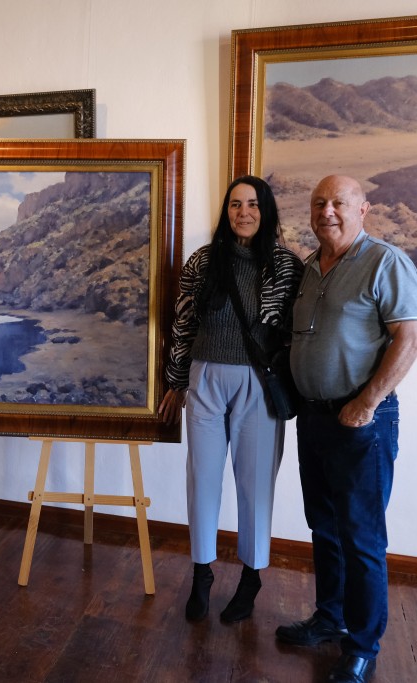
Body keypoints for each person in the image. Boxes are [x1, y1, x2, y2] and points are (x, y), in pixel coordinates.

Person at [276, 175, 417, 683]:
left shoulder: (385, 262)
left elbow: (410, 341)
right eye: (319, 204)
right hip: (315, 417)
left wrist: (366, 403)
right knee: (323, 525)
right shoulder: (310, 269)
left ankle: (362, 648)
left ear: (364, 209)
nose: (328, 212)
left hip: (361, 422)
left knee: (361, 537)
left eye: (339, 202)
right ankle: (330, 617)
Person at [159, 175, 303, 623]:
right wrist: (175, 381)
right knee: (202, 479)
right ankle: (201, 574)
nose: (244, 213)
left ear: (267, 210)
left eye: (254, 205)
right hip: (205, 378)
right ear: (226, 212)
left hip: (258, 385)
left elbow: (294, 334)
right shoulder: (203, 261)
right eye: (236, 204)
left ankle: (250, 578)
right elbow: (182, 325)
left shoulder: (286, 266)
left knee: (255, 485)